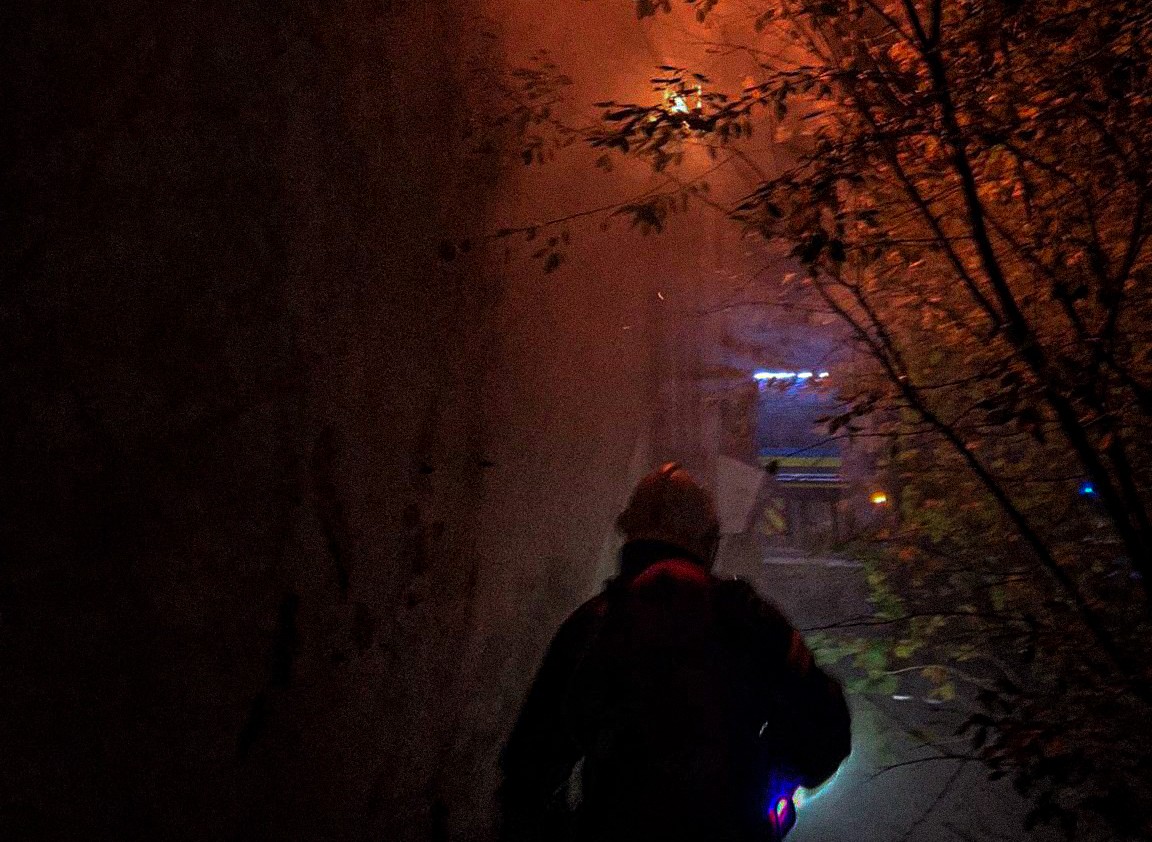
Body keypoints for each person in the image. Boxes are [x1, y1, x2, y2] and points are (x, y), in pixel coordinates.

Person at [499, 462, 851, 842]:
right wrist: (768, 783)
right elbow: (825, 731)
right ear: (707, 540)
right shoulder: (751, 621)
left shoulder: (591, 625)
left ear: (629, 534)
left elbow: (529, 769)